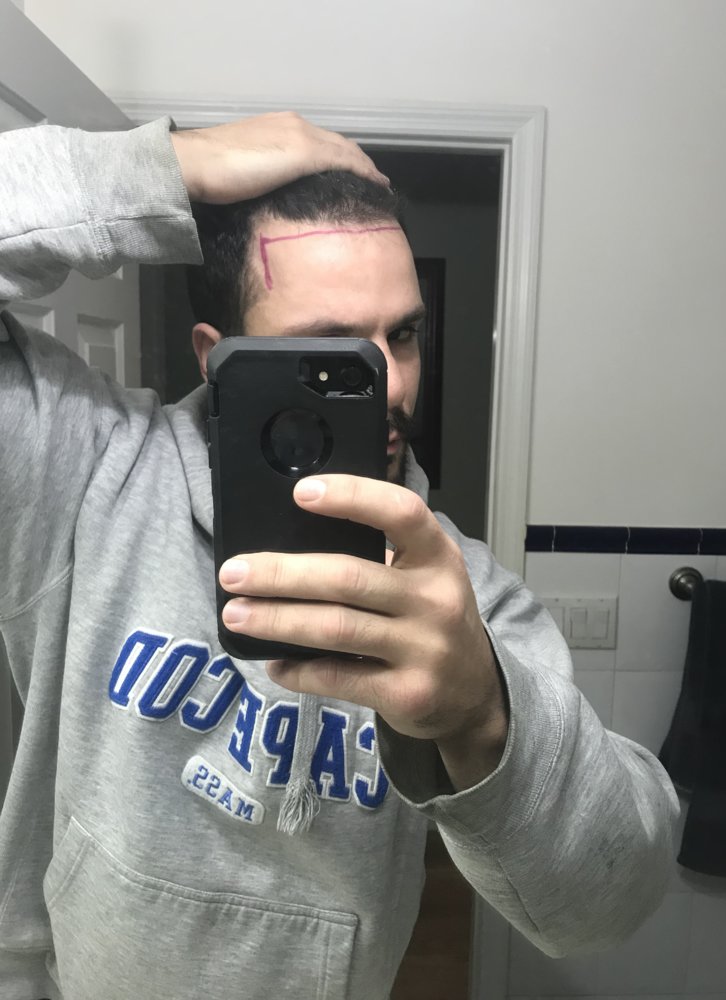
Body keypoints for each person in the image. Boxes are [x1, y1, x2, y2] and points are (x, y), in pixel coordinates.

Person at [0, 112, 678, 1000]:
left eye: (405, 336)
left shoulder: (458, 600)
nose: (389, 384)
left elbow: (610, 903)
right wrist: (160, 166)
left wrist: (479, 713)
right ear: (218, 360)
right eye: (331, 348)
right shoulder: (84, 471)